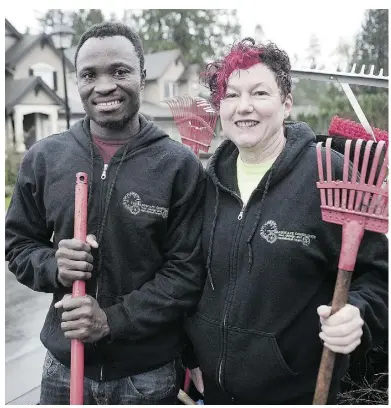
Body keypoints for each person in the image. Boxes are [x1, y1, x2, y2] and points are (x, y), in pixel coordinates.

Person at [5, 21, 206, 405]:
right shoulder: (45, 159)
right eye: (89, 74)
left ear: (142, 75)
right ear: (77, 81)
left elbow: (186, 272)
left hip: (146, 375)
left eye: (119, 71)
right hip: (63, 372)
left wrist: (110, 321)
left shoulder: (178, 166)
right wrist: (53, 265)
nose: (104, 86)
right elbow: (18, 247)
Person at [184, 38, 388, 404]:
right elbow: (188, 277)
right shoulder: (205, 184)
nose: (243, 107)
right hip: (212, 394)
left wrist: (359, 313)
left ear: (286, 103)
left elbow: (378, 276)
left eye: (259, 93)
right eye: (231, 95)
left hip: (297, 393)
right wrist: (189, 357)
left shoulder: (331, 175)